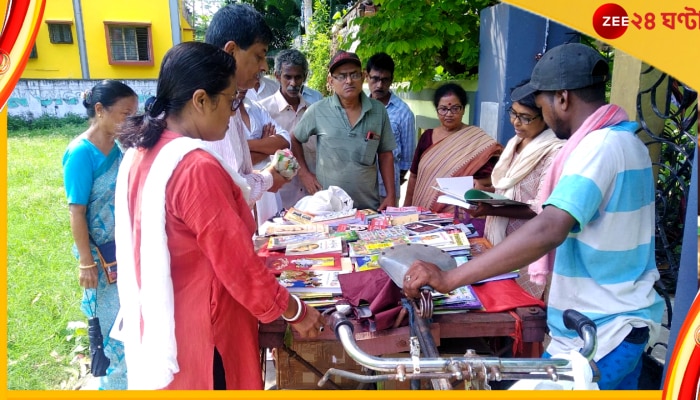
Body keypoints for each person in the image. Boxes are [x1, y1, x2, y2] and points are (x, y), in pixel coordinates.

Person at [403, 43, 664, 390]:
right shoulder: (628, 141)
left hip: (603, 333)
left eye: (540, 106)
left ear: (563, 99)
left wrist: (450, 279)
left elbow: (549, 227)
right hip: (610, 325)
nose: (540, 116)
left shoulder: (598, 148)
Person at [114, 41, 325, 390]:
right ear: (200, 100)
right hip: (204, 332)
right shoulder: (194, 166)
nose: (232, 113)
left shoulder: (142, 151)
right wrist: (295, 311)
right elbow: (238, 265)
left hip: (164, 318)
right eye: (230, 102)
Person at [62, 79, 138, 390]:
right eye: (125, 114)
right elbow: (76, 212)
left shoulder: (121, 146)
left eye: (134, 114)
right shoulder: (81, 153)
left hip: (123, 252)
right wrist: (85, 262)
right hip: (99, 260)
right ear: (99, 110)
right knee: (109, 332)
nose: (130, 121)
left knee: (129, 325)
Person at [467, 80, 565, 299]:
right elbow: (511, 187)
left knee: (524, 307)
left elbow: (542, 209)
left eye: (525, 117)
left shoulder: (555, 151)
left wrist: (490, 209)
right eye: (514, 113)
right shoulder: (516, 142)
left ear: (547, 115)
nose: (516, 122)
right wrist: (484, 189)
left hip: (527, 244)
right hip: (497, 235)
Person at [291, 50, 397, 211]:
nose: (349, 81)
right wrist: (304, 174)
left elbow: (385, 154)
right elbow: (295, 139)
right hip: (328, 209)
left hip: (368, 208)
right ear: (330, 81)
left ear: (363, 76)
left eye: (354, 74)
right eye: (341, 76)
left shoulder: (378, 110)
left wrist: (390, 194)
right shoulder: (317, 110)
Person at [204, 3, 287, 205]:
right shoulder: (208, 112)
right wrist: (268, 176)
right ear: (231, 51)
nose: (264, 66)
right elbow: (228, 193)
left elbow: (237, 178)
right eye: (259, 56)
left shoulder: (230, 106)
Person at [403, 83, 502, 213]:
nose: (449, 114)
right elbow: (414, 176)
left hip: (459, 213)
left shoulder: (478, 140)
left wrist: (472, 183)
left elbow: (495, 178)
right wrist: (406, 208)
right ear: (436, 110)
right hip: (422, 212)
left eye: (455, 108)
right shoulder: (427, 137)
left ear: (463, 109)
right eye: (443, 109)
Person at [260, 49, 322, 209]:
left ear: (305, 77)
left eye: (298, 77)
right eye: (288, 77)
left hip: (312, 198)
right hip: (278, 198)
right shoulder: (263, 111)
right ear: (277, 76)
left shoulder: (314, 110)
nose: (293, 83)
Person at [366, 52, 416, 206]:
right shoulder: (359, 107)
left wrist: (390, 185)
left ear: (391, 80)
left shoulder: (403, 112)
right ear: (366, 77)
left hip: (387, 191)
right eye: (375, 79)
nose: (379, 85)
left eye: (384, 80)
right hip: (360, 187)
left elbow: (407, 160)